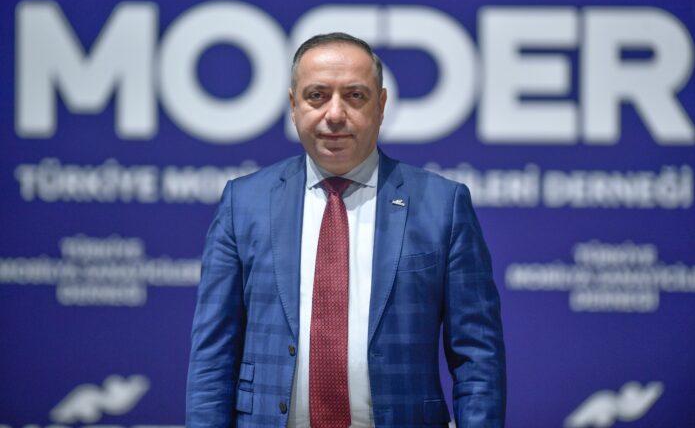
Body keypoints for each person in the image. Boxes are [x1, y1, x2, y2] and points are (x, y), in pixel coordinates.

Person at [186, 32, 506, 427]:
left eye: (355, 96)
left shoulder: (443, 205)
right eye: (316, 96)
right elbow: (212, 355)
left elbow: (478, 358)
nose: (335, 114)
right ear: (293, 105)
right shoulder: (243, 203)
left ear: (381, 105)